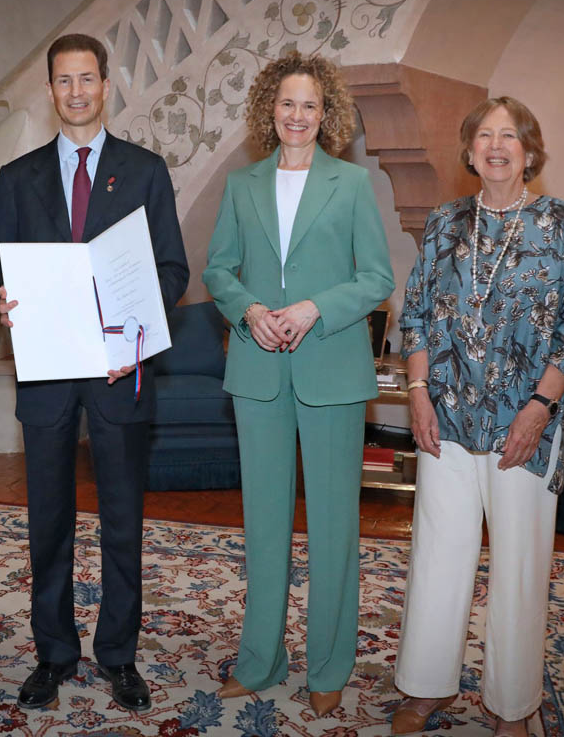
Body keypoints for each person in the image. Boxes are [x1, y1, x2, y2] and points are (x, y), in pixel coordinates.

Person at [0, 33, 188, 712]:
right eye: (63, 80)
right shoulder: (17, 177)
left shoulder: (145, 170)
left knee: (122, 517)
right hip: (46, 371)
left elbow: (171, 269)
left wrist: (139, 330)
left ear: (107, 86)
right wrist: (5, 300)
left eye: (87, 79)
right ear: (50, 91)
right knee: (49, 517)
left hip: (116, 370)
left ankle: (119, 655)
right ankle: (54, 652)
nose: (76, 91)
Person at [391, 97, 564, 735]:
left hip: (525, 428)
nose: (497, 145)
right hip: (445, 419)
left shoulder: (562, 225)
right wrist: (418, 393)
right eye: (486, 135)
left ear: (529, 151)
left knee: (519, 568)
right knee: (438, 556)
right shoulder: (446, 222)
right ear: (471, 150)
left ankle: (513, 705)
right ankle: (426, 688)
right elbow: (416, 314)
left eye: (510, 135)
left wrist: (539, 408)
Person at [201, 52, 394, 717]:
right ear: (269, 109)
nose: (298, 115)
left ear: (326, 113)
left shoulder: (352, 184)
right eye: (287, 102)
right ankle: (260, 660)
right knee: (264, 524)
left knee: (336, 523)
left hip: (331, 367)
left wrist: (314, 309)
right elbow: (219, 269)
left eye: (310, 104)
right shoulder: (241, 184)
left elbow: (376, 278)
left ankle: (330, 665)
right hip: (258, 368)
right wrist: (250, 310)